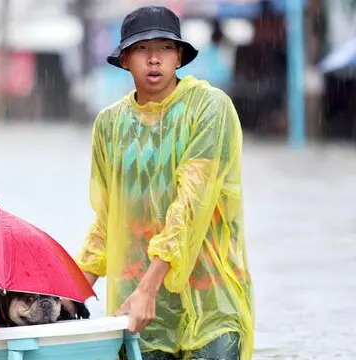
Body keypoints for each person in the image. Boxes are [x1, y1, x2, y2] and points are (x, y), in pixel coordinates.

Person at [62, 6, 254, 360]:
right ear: (124, 59)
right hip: (139, 310)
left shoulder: (209, 107)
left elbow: (191, 205)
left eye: (165, 47)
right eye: (141, 49)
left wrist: (149, 288)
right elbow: (109, 224)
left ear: (179, 56)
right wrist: (69, 295)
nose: (154, 59)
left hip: (211, 298)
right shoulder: (109, 125)